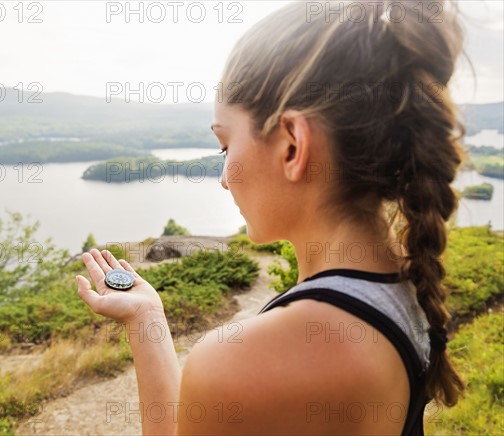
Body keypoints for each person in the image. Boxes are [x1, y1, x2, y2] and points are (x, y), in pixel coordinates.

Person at [76, 1, 470, 434]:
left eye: (226, 148)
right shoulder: (402, 288)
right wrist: (146, 318)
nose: (224, 179)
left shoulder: (252, 357)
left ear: (292, 147)